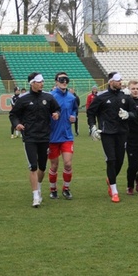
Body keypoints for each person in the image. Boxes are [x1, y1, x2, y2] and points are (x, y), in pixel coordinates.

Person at [9, 72, 60, 207]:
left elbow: (57, 109)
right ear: (32, 83)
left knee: (42, 166)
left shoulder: (48, 97)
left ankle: (38, 187)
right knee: (33, 166)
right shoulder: (23, 99)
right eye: (39, 81)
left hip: (44, 136)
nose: (42, 83)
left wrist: (56, 114)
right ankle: (35, 196)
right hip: (29, 137)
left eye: (42, 81)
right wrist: (17, 124)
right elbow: (13, 114)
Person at [87, 72, 136, 203]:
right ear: (110, 82)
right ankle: (114, 191)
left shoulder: (125, 96)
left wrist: (128, 114)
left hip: (122, 132)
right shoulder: (101, 97)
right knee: (111, 160)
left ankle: (110, 179)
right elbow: (90, 112)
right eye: (117, 80)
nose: (120, 82)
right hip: (107, 133)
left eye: (121, 80)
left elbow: (134, 112)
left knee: (119, 161)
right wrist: (92, 126)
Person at [48, 72, 78, 200]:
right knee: (54, 165)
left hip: (67, 136)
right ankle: (53, 189)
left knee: (68, 164)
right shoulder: (50, 97)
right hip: (53, 137)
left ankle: (66, 188)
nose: (64, 82)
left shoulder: (72, 98)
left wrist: (74, 117)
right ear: (56, 81)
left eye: (66, 79)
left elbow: (74, 111)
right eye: (61, 79)